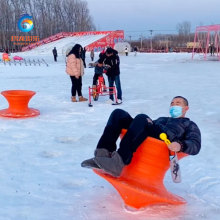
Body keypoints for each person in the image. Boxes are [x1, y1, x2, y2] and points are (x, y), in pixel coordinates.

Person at [81, 96, 201, 177]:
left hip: (165, 141)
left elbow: (195, 144)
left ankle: (118, 162)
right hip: (151, 134)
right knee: (118, 114)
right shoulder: (162, 119)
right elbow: (144, 126)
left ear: (186, 108)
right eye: (172, 103)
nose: (174, 105)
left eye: (178, 103)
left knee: (142, 117)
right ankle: (103, 155)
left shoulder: (189, 125)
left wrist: (180, 145)